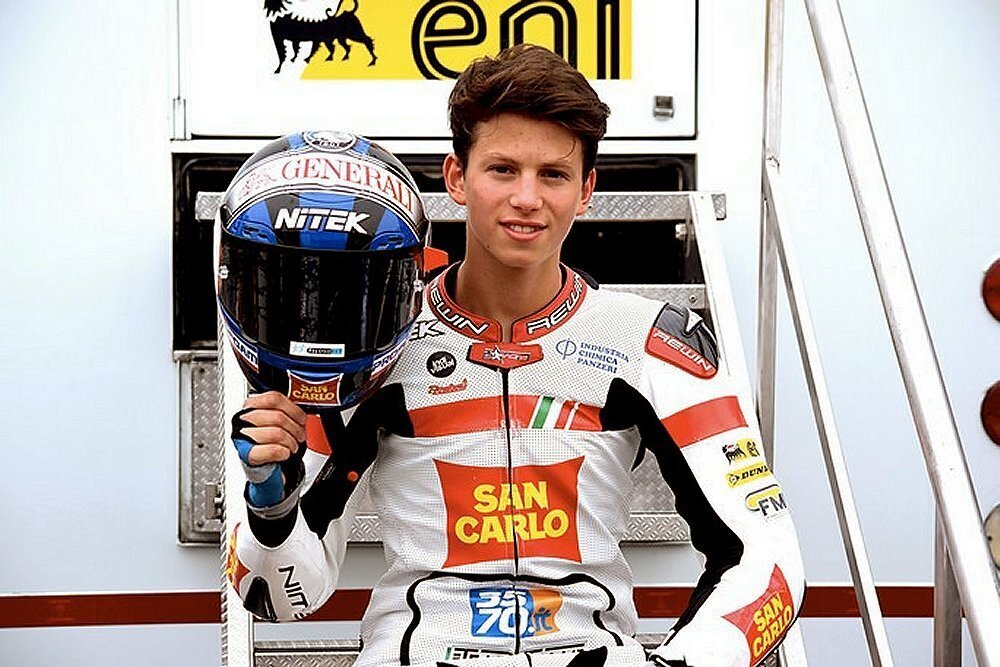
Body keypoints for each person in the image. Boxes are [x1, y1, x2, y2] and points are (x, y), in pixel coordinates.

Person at [225, 44, 806, 667]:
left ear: (586, 190)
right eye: (502, 169)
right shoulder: (372, 341)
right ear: (456, 178)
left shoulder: (652, 342)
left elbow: (768, 559)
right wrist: (272, 509)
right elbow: (277, 598)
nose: (527, 198)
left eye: (553, 175)